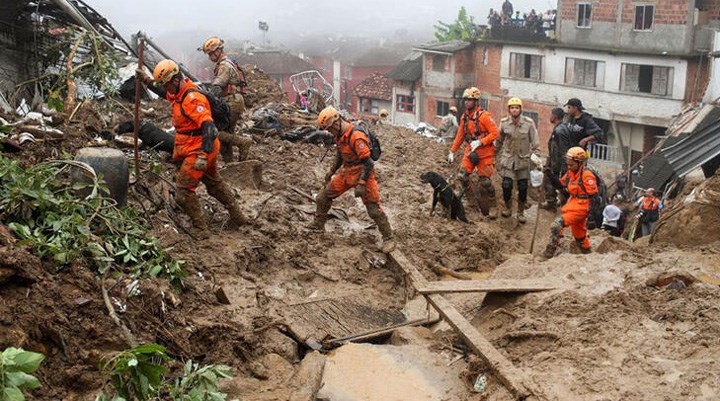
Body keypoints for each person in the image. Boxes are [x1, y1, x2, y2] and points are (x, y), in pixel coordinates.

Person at [137, 59, 249, 239]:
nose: (166, 89)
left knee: (183, 192)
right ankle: (238, 216)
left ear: (175, 80)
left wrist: (203, 156)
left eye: (166, 85)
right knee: (214, 184)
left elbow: (210, 128)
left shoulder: (192, 99)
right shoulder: (179, 91)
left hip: (199, 150)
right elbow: (165, 93)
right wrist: (147, 81)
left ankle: (201, 229)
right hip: (197, 147)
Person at [308, 106, 395, 253]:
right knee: (323, 197)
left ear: (335, 123)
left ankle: (388, 238)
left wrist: (361, 183)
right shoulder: (340, 135)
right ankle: (318, 226)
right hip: (346, 171)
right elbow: (340, 155)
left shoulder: (356, 136)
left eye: (329, 129)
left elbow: (368, 162)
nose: (329, 132)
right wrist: (331, 171)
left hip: (363, 172)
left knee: (373, 209)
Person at [448, 87, 500, 219]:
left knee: (485, 181)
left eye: (470, 100)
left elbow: (495, 133)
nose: (467, 102)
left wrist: (481, 141)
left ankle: (493, 205)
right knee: (462, 176)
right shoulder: (464, 117)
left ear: (476, 101)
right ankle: (472, 203)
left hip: (485, 152)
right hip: (471, 150)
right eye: (465, 99)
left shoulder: (485, 116)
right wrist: (452, 151)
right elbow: (460, 135)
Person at [201, 36, 252, 162]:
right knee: (226, 136)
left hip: (231, 101)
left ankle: (243, 142)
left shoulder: (224, 65)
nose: (210, 57)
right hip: (234, 100)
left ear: (218, 51)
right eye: (209, 54)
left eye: (211, 54)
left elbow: (217, 87)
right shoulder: (227, 62)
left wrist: (206, 98)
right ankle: (231, 165)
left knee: (216, 131)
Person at [543, 147, 598, 258]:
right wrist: (550, 175)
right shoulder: (570, 173)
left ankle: (549, 252)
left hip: (582, 206)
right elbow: (561, 185)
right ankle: (588, 254)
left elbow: (594, 197)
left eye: (571, 165)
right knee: (579, 235)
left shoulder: (587, 175)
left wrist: (592, 217)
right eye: (568, 164)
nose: (569, 167)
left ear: (580, 163)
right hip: (573, 203)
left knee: (557, 224)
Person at [496, 98, 539, 223]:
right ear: (509, 110)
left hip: (523, 160)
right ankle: (508, 208)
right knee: (506, 185)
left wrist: (536, 156)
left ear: (520, 109)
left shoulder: (528, 123)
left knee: (523, 187)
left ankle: (520, 212)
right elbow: (499, 141)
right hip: (508, 160)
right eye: (512, 107)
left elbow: (535, 141)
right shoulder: (504, 123)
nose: (514, 110)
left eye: (517, 107)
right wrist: (493, 154)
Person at [540, 108, 572, 210]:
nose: (550, 117)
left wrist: (562, 166)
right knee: (552, 182)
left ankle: (554, 203)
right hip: (555, 161)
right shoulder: (560, 128)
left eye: (551, 114)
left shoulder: (559, 131)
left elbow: (562, 150)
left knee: (555, 182)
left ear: (555, 116)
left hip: (557, 163)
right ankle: (554, 202)